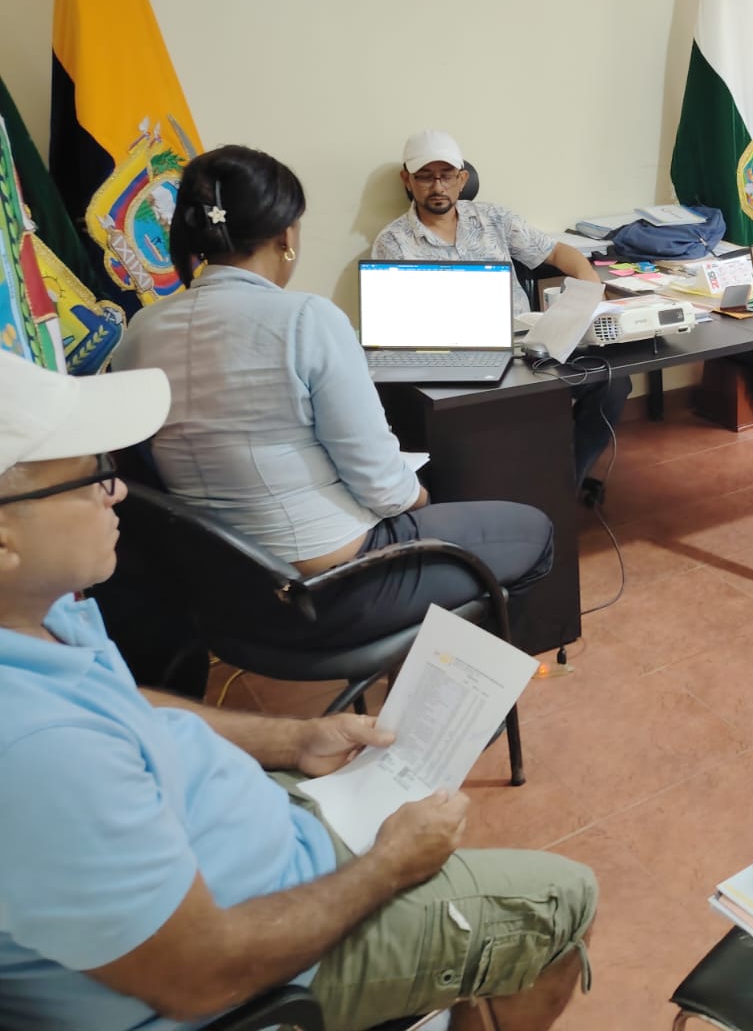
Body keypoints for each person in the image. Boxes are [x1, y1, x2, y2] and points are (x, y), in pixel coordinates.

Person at [0, 351, 596, 1031]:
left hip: (244, 651)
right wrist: (388, 867)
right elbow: (202, 975)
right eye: (93, 475)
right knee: (564, 899)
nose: (117, 491)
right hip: (251, 956)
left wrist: (293, 739)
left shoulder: (39, 615)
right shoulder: (39, 750)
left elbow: (124, 708)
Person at [115, 145, 555, 648]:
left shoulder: (143, 330)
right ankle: (454, 685)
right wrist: (423, 500)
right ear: (286, 236)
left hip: (221, 593)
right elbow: (385, 489)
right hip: (330, 586)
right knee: (534, 532)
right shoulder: (307, 319)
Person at [374, 130, 629, 488]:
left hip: (529, 349)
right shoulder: (393, 242)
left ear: (462, 179)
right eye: (425, 177)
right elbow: (399, 326)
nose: (437, 187)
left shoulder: (493, 218)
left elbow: (559, 253)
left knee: (612, 382)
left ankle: (565, 484)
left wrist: (591, 290)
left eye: (446, 176)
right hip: (457, 361)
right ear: (407, 180)